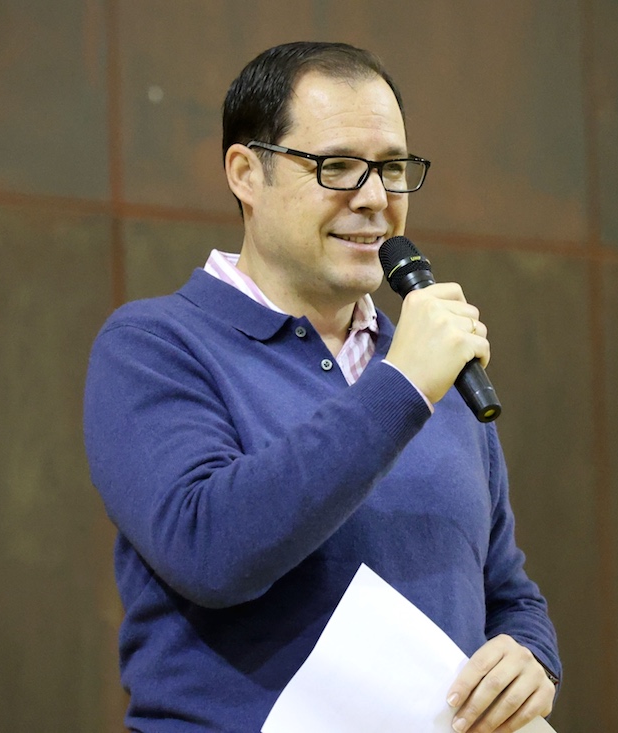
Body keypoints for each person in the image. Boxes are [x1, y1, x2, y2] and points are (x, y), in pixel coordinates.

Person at [84, 41, 561, 733]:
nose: (375, 199)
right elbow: (208, 550)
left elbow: (506, 589)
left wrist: (529, 655)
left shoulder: (433, 365)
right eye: (337, 167)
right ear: (247, 173)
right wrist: (401, 386)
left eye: (392, 169)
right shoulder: (155, 345)